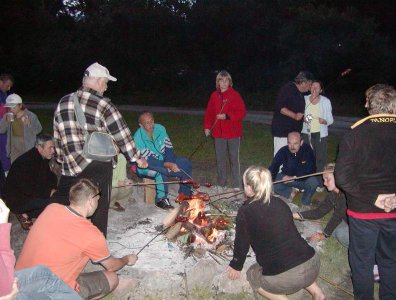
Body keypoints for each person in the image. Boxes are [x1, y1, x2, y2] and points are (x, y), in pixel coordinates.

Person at [52, 62, 147, 236]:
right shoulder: (103, 105)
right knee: (99, 205)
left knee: (66, 202)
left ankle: (56, 234)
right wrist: (136, 158)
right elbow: (122, 134)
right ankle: (97, 244)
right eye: (105, 81)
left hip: (70, 165)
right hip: (96, 164)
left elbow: (57, 134)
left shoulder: (63, 101)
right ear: (95, 80)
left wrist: (60, 157)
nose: (106, 86)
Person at [16, 179, 138, 299]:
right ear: (90, 201)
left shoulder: (51, 208)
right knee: (112, 278)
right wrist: (127, 259)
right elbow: (112, 266)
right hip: (50, 293)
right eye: (97, 199)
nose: (98, 202)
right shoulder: (91, 234)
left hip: (20, 283)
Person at [335, 84, 396, 299]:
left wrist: (373, 198)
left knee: (362, 263)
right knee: (391, 261)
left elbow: (341, 177)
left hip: (363, 213)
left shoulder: (355, 133)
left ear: (368, 105)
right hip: (393, 213)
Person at [226, 166, 325, 300]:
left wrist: (236, 265)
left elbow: (241, 243)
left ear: (249, 188)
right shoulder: (280, 203)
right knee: (296, 261)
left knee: (252, 274)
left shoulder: (245, 212)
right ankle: (318, 293)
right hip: (312, 263)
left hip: (286, 278)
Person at [0, 199, 82, 300]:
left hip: (9, 279)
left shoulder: (52, 208)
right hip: (7, 289)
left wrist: (2, 227)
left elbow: (5, 259)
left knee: (42, 272)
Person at [134, 112, 202, 209]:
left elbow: (168, 148)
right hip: (145, 165)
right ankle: (161, 199)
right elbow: (147, 160)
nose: (151, 124)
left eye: (152, 121)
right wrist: (167, 165)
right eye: (147, 123)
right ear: (141, 125)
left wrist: (170, 162)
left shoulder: (160, 129)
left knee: (185, 163)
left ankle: (185, 193)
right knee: (162, 171)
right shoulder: (138, 137)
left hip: (165, 160)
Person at [2, 134, 57, 230]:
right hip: (16, 200)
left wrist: (53, 188)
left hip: (27, 194)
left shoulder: (41, 158)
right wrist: (49, 193)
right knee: (53, 203)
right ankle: (22, 213)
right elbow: (28, 189)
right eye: (50, 148)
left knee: (54, 198)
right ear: (40, 147)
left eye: (53, 147)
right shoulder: (28, 162)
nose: (53, 151)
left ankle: (26, 214)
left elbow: (51, 177)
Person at [203, 70, 246, 190]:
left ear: (230, 82)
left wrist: (227, 116)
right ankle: (221, 183)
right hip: (218, 134)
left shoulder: (235, 95)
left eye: (226, 80)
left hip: (233, 133)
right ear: (218, 82)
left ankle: (236, 184)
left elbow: (242, 112)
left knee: (233, 159)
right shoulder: (214, 95)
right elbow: (209, 113)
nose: (224, 83)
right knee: (220, 159)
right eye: (221, 80)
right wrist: (207, 127)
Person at [293, 163, 348, 248]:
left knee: (340, 234)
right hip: (345, 220)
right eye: (324, 179)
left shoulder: (346, 195)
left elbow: (337, 217)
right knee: (333, 229)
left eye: (327, 179)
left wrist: (323, 235)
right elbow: (319, 212)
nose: (324, 183)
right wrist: (298, 215)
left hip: (360, 225)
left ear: (338, 177)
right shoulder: (333, 194)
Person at [269, 132, 319, 206]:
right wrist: (274, 180)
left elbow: (312, 168)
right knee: (270, 180)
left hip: (302, 179)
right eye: (289, 143)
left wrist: (295, 177)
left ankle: (305, 203)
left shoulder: (307, 150)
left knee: (313, 182)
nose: (292, 147)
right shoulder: (283, 151)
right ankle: (290, 192)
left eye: (295, 143)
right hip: (286, 178)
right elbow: (273, 167)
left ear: (301, 142)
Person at [271, 71, 314, 156]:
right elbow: (280, 108)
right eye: (309, 84)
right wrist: (294, 116)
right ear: (303, 82)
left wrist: (304, 118)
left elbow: (298, 114)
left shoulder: (300, 94)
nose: (310, 87)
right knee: (281, 157)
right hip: (283, 132)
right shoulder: (288, 89)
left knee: (292, 159)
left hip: (294, 134)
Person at [301, 80, 333, 189]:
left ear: (321, 90)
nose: (314, 89)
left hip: (320, 134)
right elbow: (300, 116)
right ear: (310, 88)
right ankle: (307, 182)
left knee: (320, 159)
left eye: (317, 87)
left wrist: (324, 121)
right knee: (307, 158)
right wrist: (304, 119)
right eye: (312, 87)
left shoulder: (325, 101)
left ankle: (320, 184)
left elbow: (330, 120)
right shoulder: (304, 100)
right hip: (306, 134)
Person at [0, 94, 42, 163]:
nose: (11, 109)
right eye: (9, 107)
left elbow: (38, 130)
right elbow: (1, 130)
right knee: (15, 167)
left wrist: (29, 124)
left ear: (20, 105)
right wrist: (5, 121)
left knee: (27, 166)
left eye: (13, 107)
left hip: (27, 145)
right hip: (13, 146)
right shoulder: (7, 116)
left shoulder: (30, 116)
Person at [0, 74, 14, 172]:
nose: (8, 88)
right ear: (1, 82)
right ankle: (6, 170)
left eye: (10, 86)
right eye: (7, 85)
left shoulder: (4, 93)